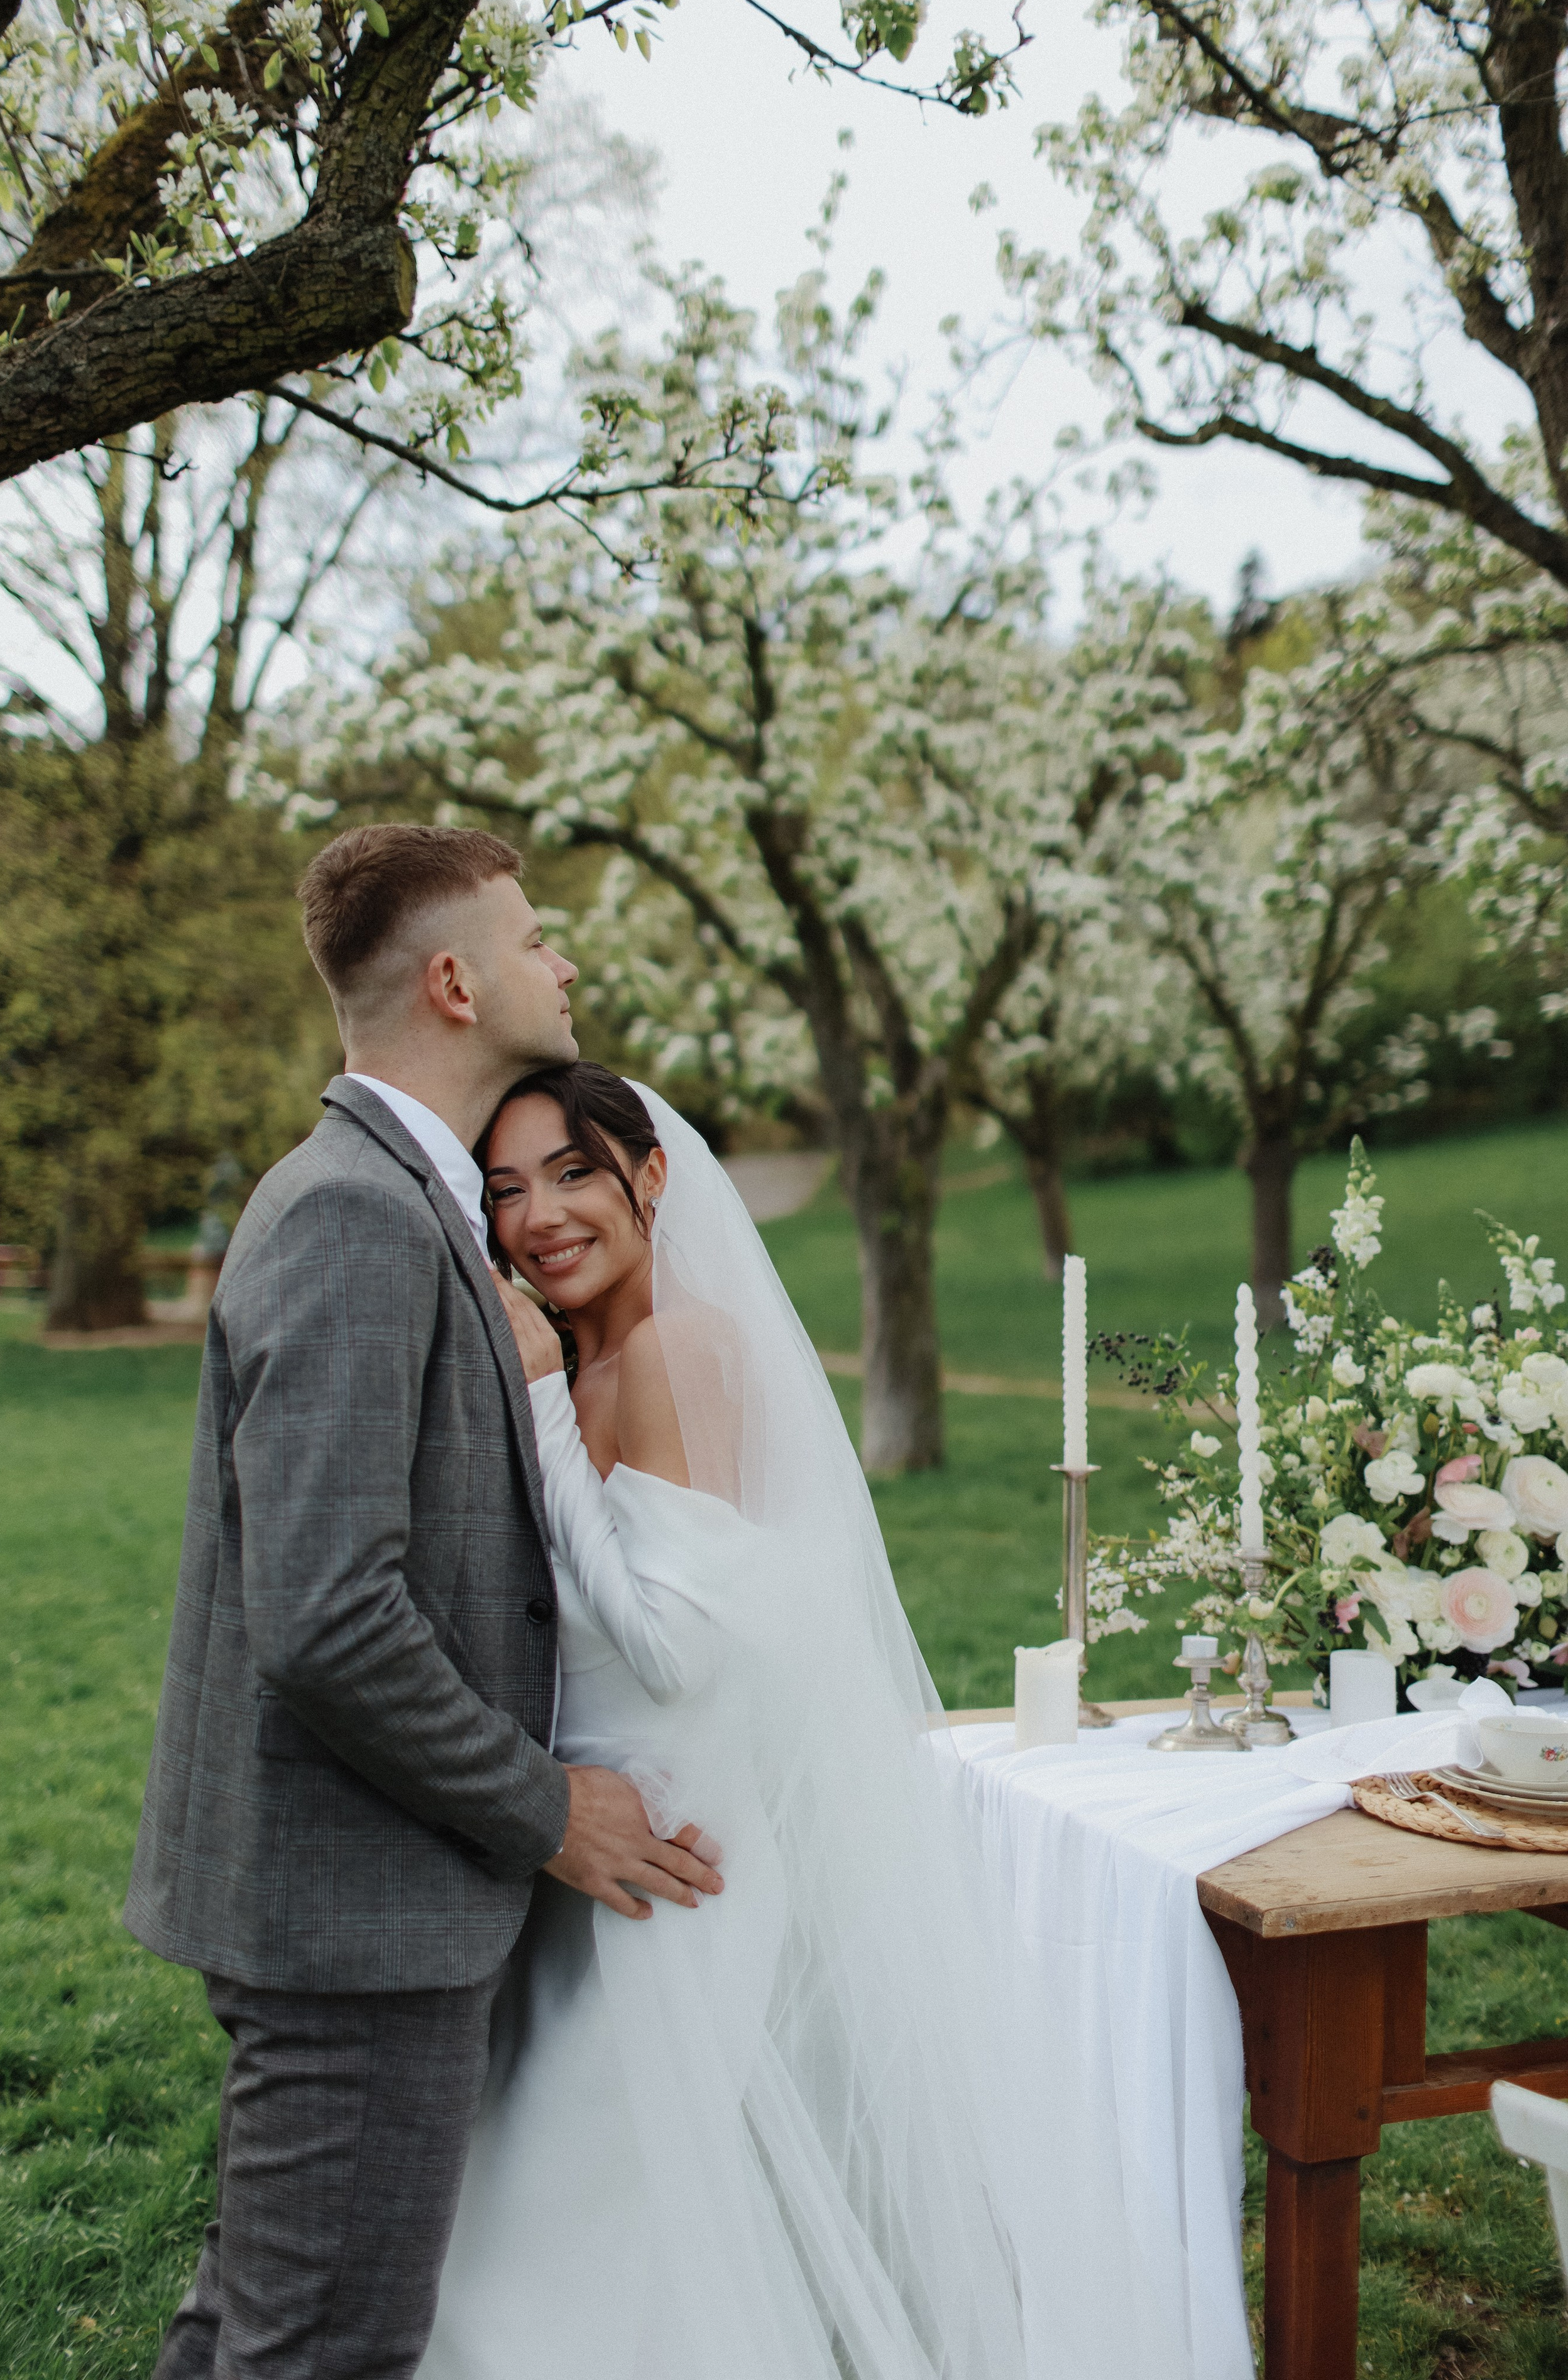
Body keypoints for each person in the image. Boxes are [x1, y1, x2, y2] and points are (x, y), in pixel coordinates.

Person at [124, 826, 721, 2380]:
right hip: (353, 1914)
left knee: (254, 2331)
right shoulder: (351, 1216)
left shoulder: (407, 1199)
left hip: (355, 1901)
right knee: (321, 2351)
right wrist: (547, 1810)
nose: (563, 962)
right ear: (454, 981)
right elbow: (326, 1613)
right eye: (534, 939)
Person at [419, 1061, 1036, 2380]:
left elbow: (674, 1643)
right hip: (579, 1854)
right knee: (584, 2233)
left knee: (558, 2240)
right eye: (506, 1189)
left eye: (574, 1173)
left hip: (675, 1872)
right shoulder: (589, 1353)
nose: (538, 1218)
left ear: (651, 1178)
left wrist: (534, 1407)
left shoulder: (677, 1347)